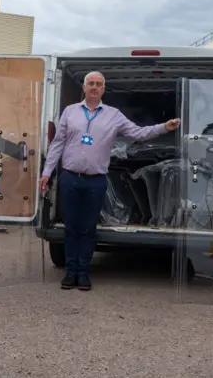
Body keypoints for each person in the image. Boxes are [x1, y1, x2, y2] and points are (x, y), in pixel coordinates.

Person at [40, 71, 180, 291]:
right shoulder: (70, 112)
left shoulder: (114, 115)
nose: (95, 87)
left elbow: (138, 133)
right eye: (91, 84)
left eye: (99, 84)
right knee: (71, 228)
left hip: (96, 182)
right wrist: (47, 172)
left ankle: (83, 274)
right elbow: (57, 144)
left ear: (103, 89)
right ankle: (70, 273)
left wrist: (164, 127)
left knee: (87, 229)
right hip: (69, 178)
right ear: (84, 88)